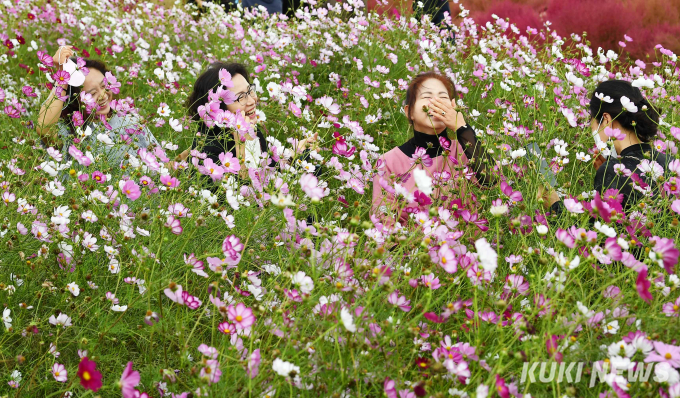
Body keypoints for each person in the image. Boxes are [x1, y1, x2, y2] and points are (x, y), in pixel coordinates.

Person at [538, 80, 673, 215]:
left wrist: (554, 205)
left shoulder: (612, 171)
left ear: (606, 120)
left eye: (592, 121)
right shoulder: (671, 163)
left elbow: (603, 232)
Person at [371, 71, 491, 224]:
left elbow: (491, 181)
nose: (435, 103)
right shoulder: (388, 161)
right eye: (427, 97)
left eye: (442, 98)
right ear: (409, 112)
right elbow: (383, 219)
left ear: (453, 107)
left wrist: (462, 128)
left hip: (461, 244)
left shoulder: (463, 151)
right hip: (411, 245)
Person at [36, 46, 182, 169]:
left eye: (104, 86)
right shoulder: (71, 134)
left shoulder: (131, 121)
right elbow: (44, 128)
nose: (102, 95)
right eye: (92, 93)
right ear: (74, 101)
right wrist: (63, 77)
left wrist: (193, 151)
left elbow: (164, 169)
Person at [185, 61, 317, 181]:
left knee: (314, 171)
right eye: (241, 97)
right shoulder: (205, 151)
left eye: (250, 91)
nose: (252, 101)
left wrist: (294, 153)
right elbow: (243, 198)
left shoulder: (252, 130)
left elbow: (268, 173)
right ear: (217, 108)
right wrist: (241, 146)